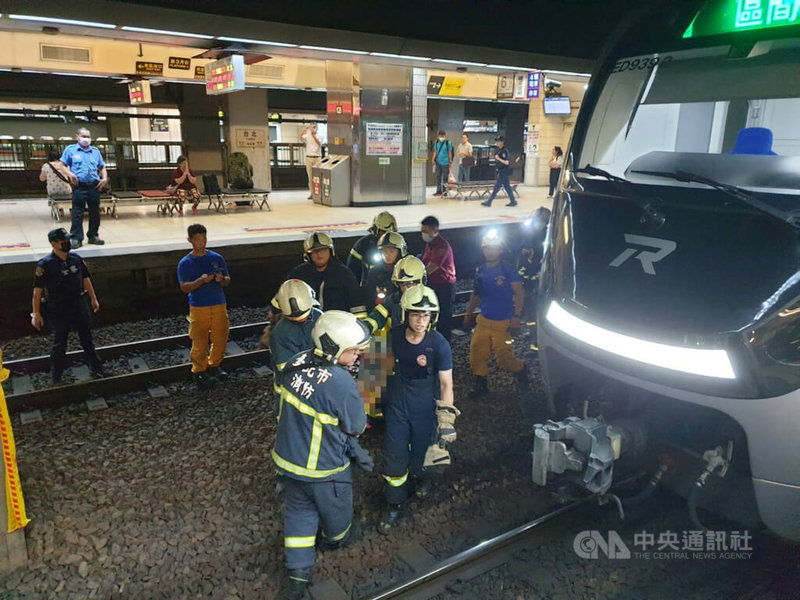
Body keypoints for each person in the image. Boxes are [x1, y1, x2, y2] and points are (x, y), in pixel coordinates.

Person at [272, 310, 372, 599]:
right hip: (324, 469)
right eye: (353, 351)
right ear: (335, 349)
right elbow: (355, 426)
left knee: (298, 513)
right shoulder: (342, 384)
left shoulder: (296, 362)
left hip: (288, 462)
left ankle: (298, 574)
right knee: (338, 512)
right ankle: (335, 540)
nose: (357, 356)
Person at [378, 285, 456, 533]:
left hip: (425, 407)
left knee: (423, 452)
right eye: (416, 314)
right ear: (405, 314)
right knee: (395, 454)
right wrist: (367, 407)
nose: (421, 320)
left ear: (433, 316)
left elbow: (446, 384)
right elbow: (373, 373)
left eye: (426, 315)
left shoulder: (439, 344)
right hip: (398, 405)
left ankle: (422, 478)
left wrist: (446, 421)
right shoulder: (392, 337)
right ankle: (394, 503)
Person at [31, 228, 105, 385]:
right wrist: (36, 313)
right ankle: (56, 377)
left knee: (87, 339)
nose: (67, 243)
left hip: (78, 303)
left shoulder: (76, 258)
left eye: (67, 239)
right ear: (54, 243)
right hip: (59, 307)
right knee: (60, 342)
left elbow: (85, 279)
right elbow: (37, 292)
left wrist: (93, 298)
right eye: (63, 240)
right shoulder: (46, 265)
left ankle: (97, 369)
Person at [464, 230, 530, 399]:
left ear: (500, 250)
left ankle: (521, 369)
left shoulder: (507, 269)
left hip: (503, 324)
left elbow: (519, 292)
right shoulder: (480, 270)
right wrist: (469, 313)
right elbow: (476, 294)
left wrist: (516, 316)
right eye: (486, 248)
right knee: (477, 353)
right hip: (484, 321)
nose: (489, 252)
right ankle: (480, 384)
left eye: (493, 248)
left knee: (504, 358)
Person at [177, 224, 231, 388]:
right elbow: (184, 287)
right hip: (198, 306)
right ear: (190, 240)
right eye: (198, 239)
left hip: (218, 302)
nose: (202, 242)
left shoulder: (217, 258)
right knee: (199, 339)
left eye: (204, 239)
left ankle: (214, 364)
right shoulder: (185, 263)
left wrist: (222, 279)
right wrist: (201, 281)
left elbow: (228, 280)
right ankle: (199, 370)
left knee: (220, 336)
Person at [288, 232, 366, 315]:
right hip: (307, 324)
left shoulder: (343, 274)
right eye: (314, 251)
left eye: (323, 249)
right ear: (307, 255)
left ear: (331, 251)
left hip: (337, 323)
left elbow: (357, 304)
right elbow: (283, 297)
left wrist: (360, 325)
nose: (319, 254)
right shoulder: (298, 274)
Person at [267, 279, 323, 394]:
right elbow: (287, 368)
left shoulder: (319, 316)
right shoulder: (279, 334)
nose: (304, 320)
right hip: (292, 388)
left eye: (306, 316)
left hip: (319, 382)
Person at [60, 127, 108, 248]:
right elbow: (62, 166)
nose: (86, 139)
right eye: (84, 136)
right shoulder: (71, 150)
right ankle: (76, 238)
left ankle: (93, 236)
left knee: (95, 212)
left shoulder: (95, 151)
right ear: (77, 137)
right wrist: (70, 174)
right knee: (77, 212)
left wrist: (104, 179)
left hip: (94, 186)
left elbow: (102, 167)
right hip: (79, 186)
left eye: (88, 136)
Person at [517, 207, 551, 355]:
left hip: (541, 279)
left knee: (538, 310)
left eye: (540, 221)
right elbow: (522, 248)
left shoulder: (551, 237)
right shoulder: (530, 234)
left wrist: (541, 273)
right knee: (529, 308)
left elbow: (550, 258)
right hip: (527, 276)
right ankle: (532, 333)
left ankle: (537, 344)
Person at [420, 216, 457, 341]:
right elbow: (424, 261)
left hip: (444, 286)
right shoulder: (429, 244)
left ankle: (445, 342)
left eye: (426, 231)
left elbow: (432, 267)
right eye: (422, 231)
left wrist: (418, 277)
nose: (423, 234)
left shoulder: (442, 246)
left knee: (443, 316)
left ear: (434, 231)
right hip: (433, 284)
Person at [347, 211, 398, 285]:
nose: (387, 236)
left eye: (391, 233)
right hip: (369, 289)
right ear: (376, 230)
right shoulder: (363, 244)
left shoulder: (400, 244)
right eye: (383, 232)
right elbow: (352, 270)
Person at [363, 231, 407, 307]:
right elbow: (368, 297)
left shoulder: (406, 271)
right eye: (384, 251)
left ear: (400, 252)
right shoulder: (374, 272)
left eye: (391, 251)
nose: (387, 255)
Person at [480, 136, 517, 208]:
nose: (497, 143)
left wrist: (498, 158)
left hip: (504, 172)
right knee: (507, 187)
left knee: (496, 187)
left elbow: (507, 162)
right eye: (497, 141)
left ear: (502, 142)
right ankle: (513, 201)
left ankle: (489, 202)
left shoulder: (505, 151)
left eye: (498, 141)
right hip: (501, 171)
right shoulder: (498, 150)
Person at [300, 123, 322, 200]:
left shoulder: (320, 136)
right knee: (310, 177)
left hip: (317, 158)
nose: (313, 129)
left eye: (314, 127)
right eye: (312, 127)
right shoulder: (307, 136)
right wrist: (304, 130)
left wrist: (313, 135)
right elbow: (300, 138)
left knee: (318, 176)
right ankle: (312, 193)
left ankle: (319, 193)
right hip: (308, 158)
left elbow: (319, 144)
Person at [431, 130, 453, 197]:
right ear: (438, 136)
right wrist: (433, 159)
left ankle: (445, 191)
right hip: (438, 162)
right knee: (438, 177)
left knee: (445, 178)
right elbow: (435, 151)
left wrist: (450, 161)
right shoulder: (437, 142)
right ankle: (438, 191)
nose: (441, 137)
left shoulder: (448, 143)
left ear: (445, 136)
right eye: (440, 136)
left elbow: (450, 152)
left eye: (443, 136)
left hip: (445, 163)